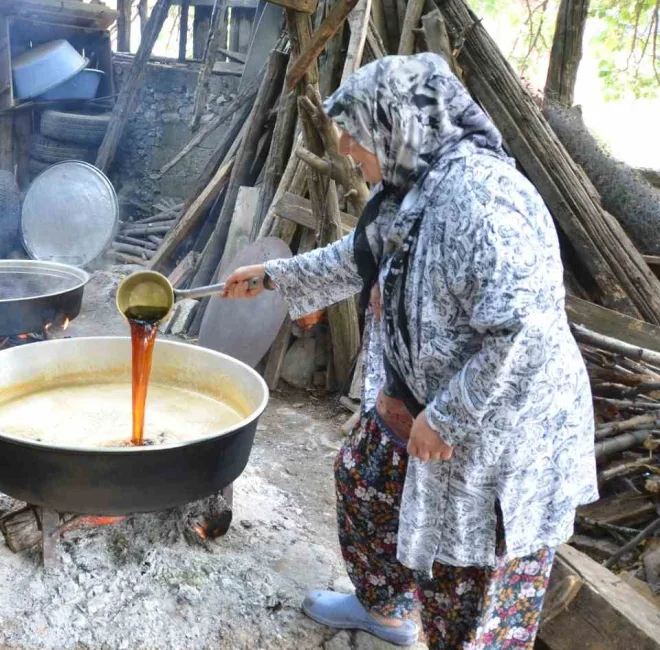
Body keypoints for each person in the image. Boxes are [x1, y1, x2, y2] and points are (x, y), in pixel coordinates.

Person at [224, 54, 596, 649]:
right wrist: (273, 276)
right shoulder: (414, 187)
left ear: (400, 125)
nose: (345, 146)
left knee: (468, 584)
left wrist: (447, 417)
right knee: (364, 482)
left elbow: (526, 332)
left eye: (355, 131)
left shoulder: (481, 202)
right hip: (415, 401)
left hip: (495, 431)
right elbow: (359, 256)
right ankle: (384, 609)